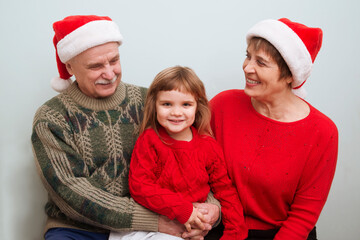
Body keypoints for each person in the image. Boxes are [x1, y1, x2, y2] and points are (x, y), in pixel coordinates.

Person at [31, 15, 220, 240]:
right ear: (69, 66)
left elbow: (192, 157)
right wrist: (158, 222)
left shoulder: (149, 102)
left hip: (159, 218)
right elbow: (70, 192)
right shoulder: (52, 118)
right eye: (96, 66)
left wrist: (210, 210)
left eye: (114, 60)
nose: (110, 74)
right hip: (79, 229)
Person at [209, 18, 338, 240]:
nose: (247, 68)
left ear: (290, 75)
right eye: (248, 56)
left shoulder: (322, 131)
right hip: (223, 226)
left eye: (261, 62)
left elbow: (303, 216)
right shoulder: (221, 106)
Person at [109, 66, 247, 240]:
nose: (176, 112)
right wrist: (182, 209)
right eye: (167, 104)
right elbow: (140, 185)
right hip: (148, 226)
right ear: (155, 105)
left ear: (198, 106)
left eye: (186, 104)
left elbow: (225, 192)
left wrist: (235, 234)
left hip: (191, 229)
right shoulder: (150, 139)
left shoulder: (208, 146)